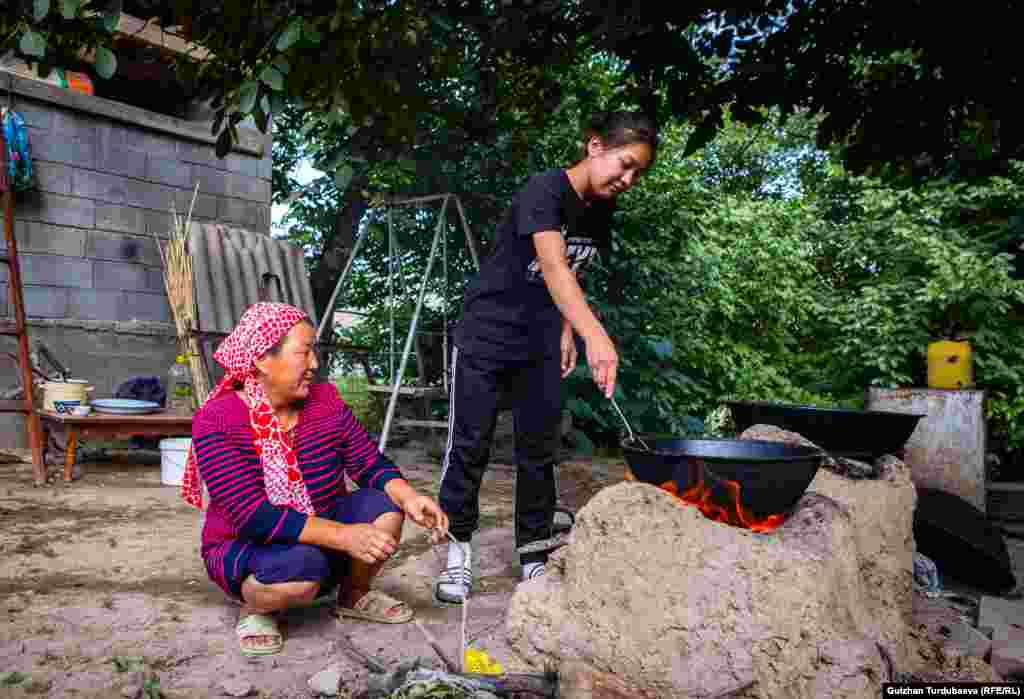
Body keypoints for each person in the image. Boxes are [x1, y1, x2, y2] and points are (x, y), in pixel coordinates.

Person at [434, 112, 658, 604]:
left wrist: (565, 332)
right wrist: (595, 334)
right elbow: (552, 264)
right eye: (624, 164)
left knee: (538, 450)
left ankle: (533, 556)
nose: (628, 179)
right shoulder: (544, 190)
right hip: (487, 335)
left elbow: (570, 274)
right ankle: (457, 550)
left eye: (638, 173)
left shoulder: (601, 210)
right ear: (595, 145)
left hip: (538, 341)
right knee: (469, 445)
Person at [181, 302, 448, 657]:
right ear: (262, 359)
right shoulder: (218, 419)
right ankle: (257, 608)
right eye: (304, 352)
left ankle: (353, 594)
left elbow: (368, 462)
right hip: (248, 545)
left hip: (317, 532)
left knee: (386, 506)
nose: (314, 364)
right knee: (303, 566)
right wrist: (343, 535)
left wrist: (409, 496)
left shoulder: (326, 403)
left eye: (314, 352)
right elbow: (252, 516)